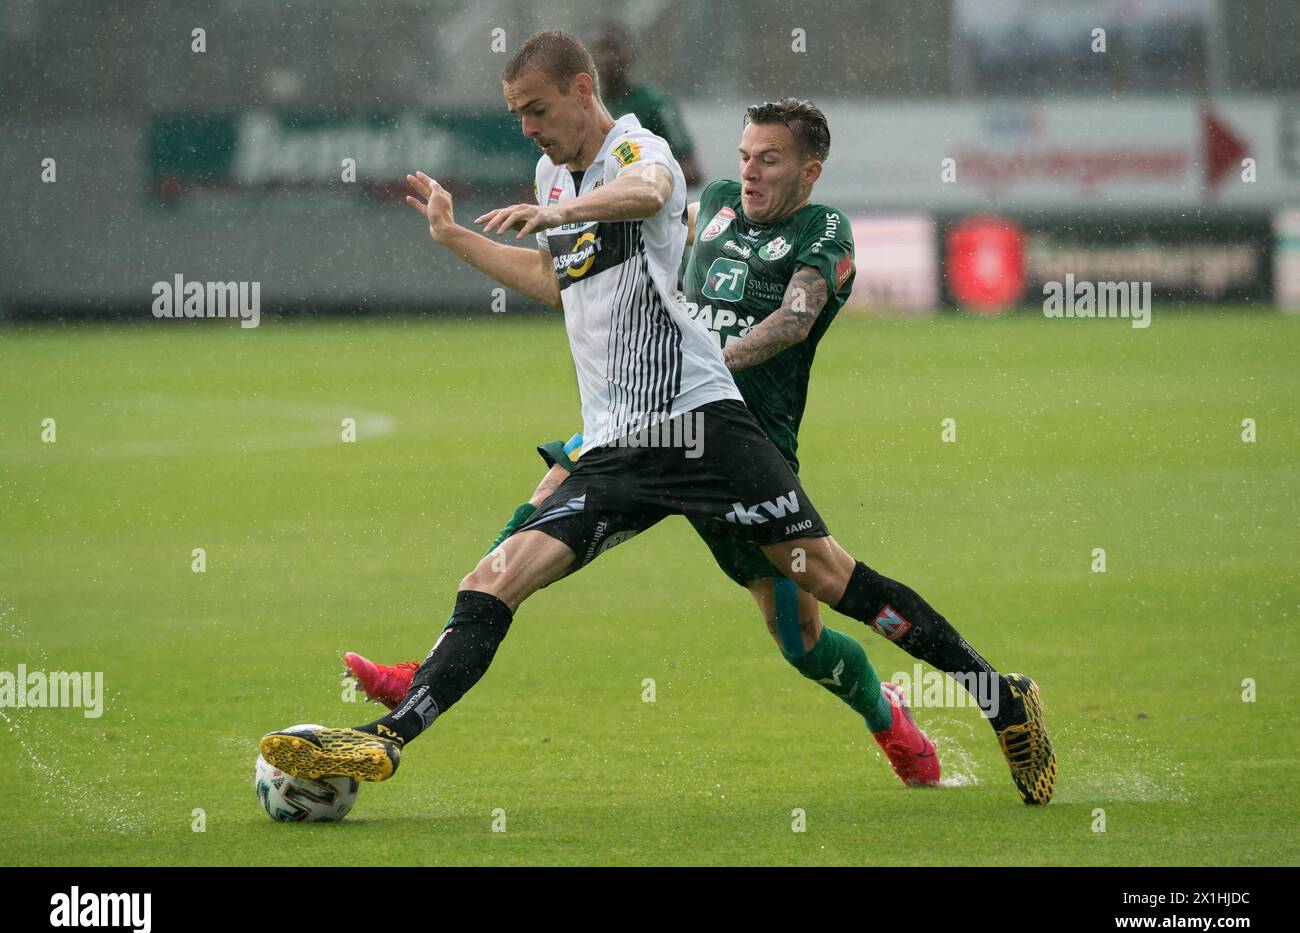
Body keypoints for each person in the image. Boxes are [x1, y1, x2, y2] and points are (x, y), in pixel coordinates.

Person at [260, 31, 1056, 807]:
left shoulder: (642, 153)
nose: (529, 129)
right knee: (495, 577)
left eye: (537, 109)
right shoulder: (552, 178)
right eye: (516, 115)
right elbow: (555, 282)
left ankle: (1000, 696)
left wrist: (564, 215)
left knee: (831, 583)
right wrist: (456, 237)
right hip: (618, 443)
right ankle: (386, 738)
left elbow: (645, 196)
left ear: (582, 91)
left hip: (701, 425)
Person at [592, 23, 702, 187]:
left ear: (631, 54)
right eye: (601, 50)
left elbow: (691, 171)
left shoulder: (654, 103)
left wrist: (635, 179)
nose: (608, 58)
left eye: (614, 49)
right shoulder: (584, 106)